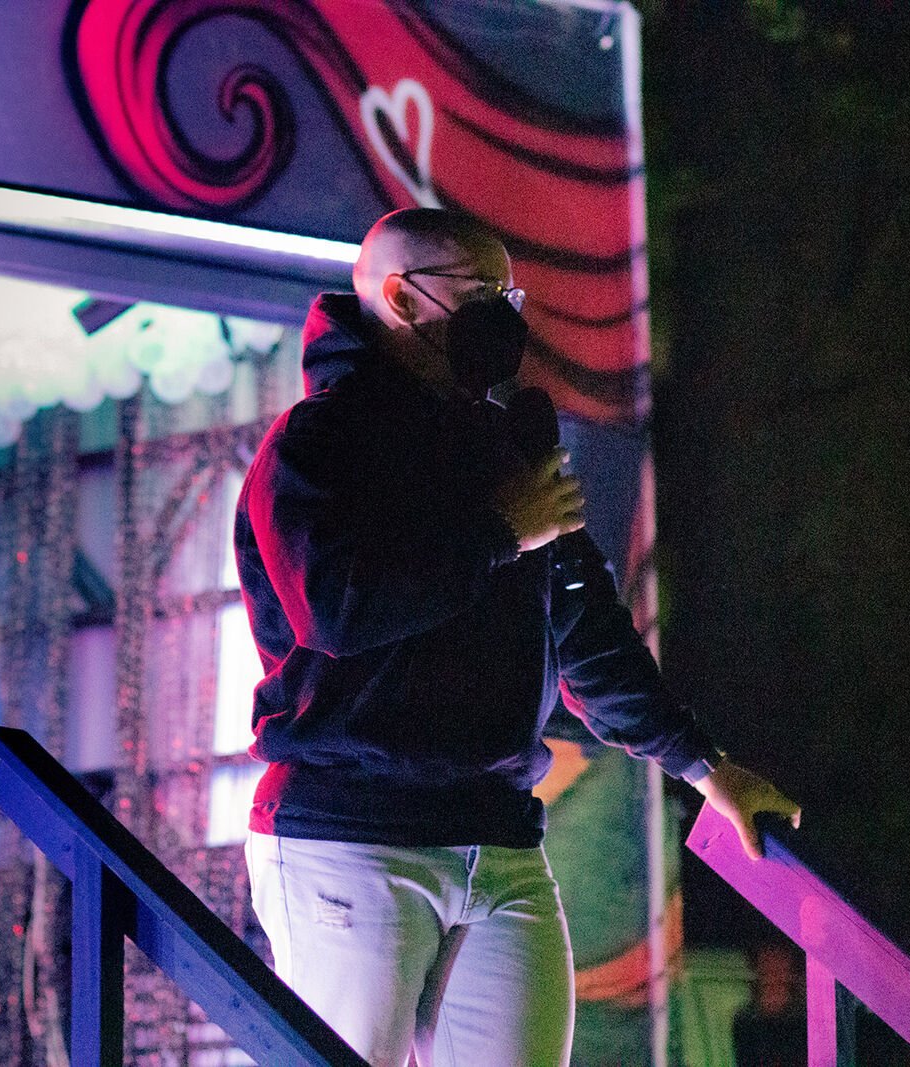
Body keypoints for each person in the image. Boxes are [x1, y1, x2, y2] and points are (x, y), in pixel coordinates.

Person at [233, 207, 800, 1066]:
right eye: (482, 293)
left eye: (511, 295)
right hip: (351, 834)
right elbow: (335, 610)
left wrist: (704, 764)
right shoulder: (316, 443)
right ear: (403, 298)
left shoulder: (506, 447)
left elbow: (586, 628)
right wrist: (500, 532)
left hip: (499, 840)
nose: (504, 316)